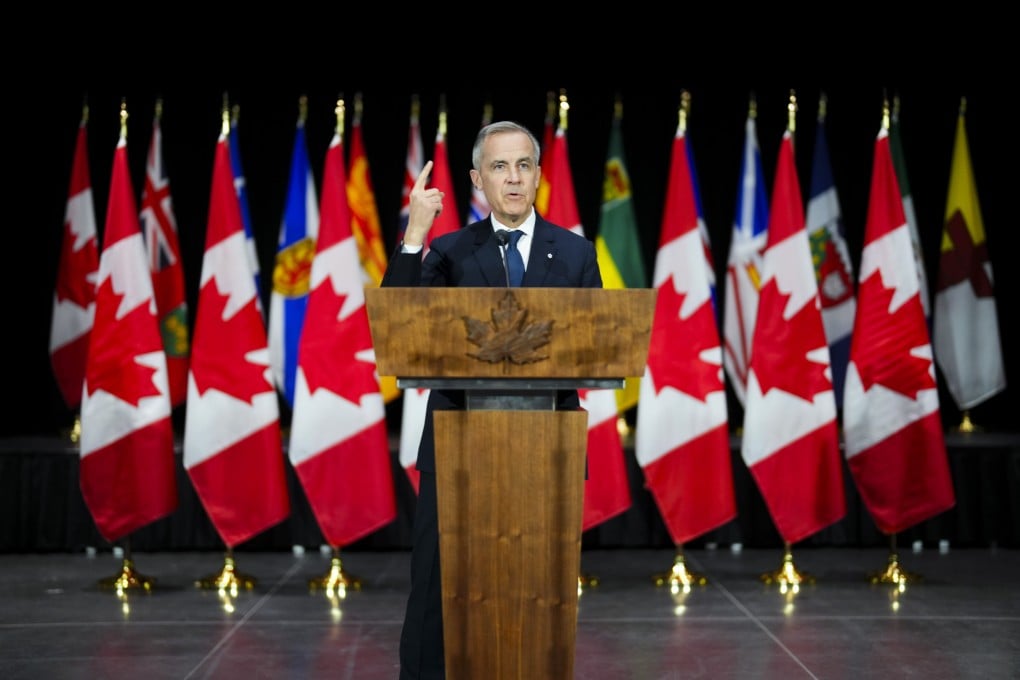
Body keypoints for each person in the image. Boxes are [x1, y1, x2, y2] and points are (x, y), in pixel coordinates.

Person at [382, 120, 602, 679]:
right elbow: (400, 327)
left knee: (540, 589)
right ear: (477, 179)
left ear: (537, 176)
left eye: (523, 165)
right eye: (499, 167)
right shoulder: (450, 252)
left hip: (546, 447)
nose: (512, 178)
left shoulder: (575, 253)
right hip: (459, 447)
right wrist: (415, 235)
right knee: (437, 588)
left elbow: (599, 342)